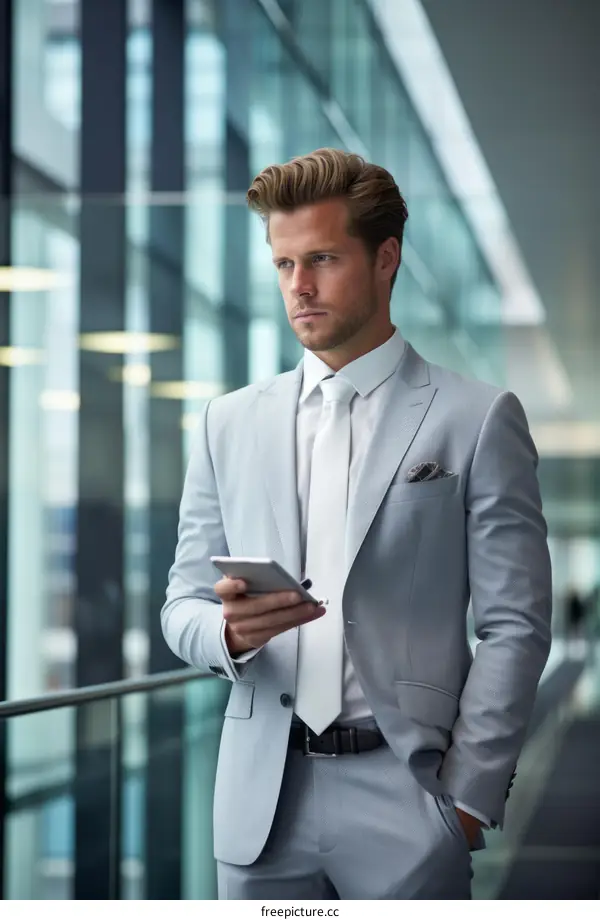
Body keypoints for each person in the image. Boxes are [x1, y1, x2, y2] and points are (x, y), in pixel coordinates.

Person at [161, 148, 553, 899]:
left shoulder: (476, 418)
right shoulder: (227, 423)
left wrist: (469, 799)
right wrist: (228, 635)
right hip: (259, 805)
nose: (298, 286)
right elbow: (182, 605)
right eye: (284, 264)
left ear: (386, 259)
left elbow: (515, 624)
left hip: (409, 798)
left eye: (322, 259)